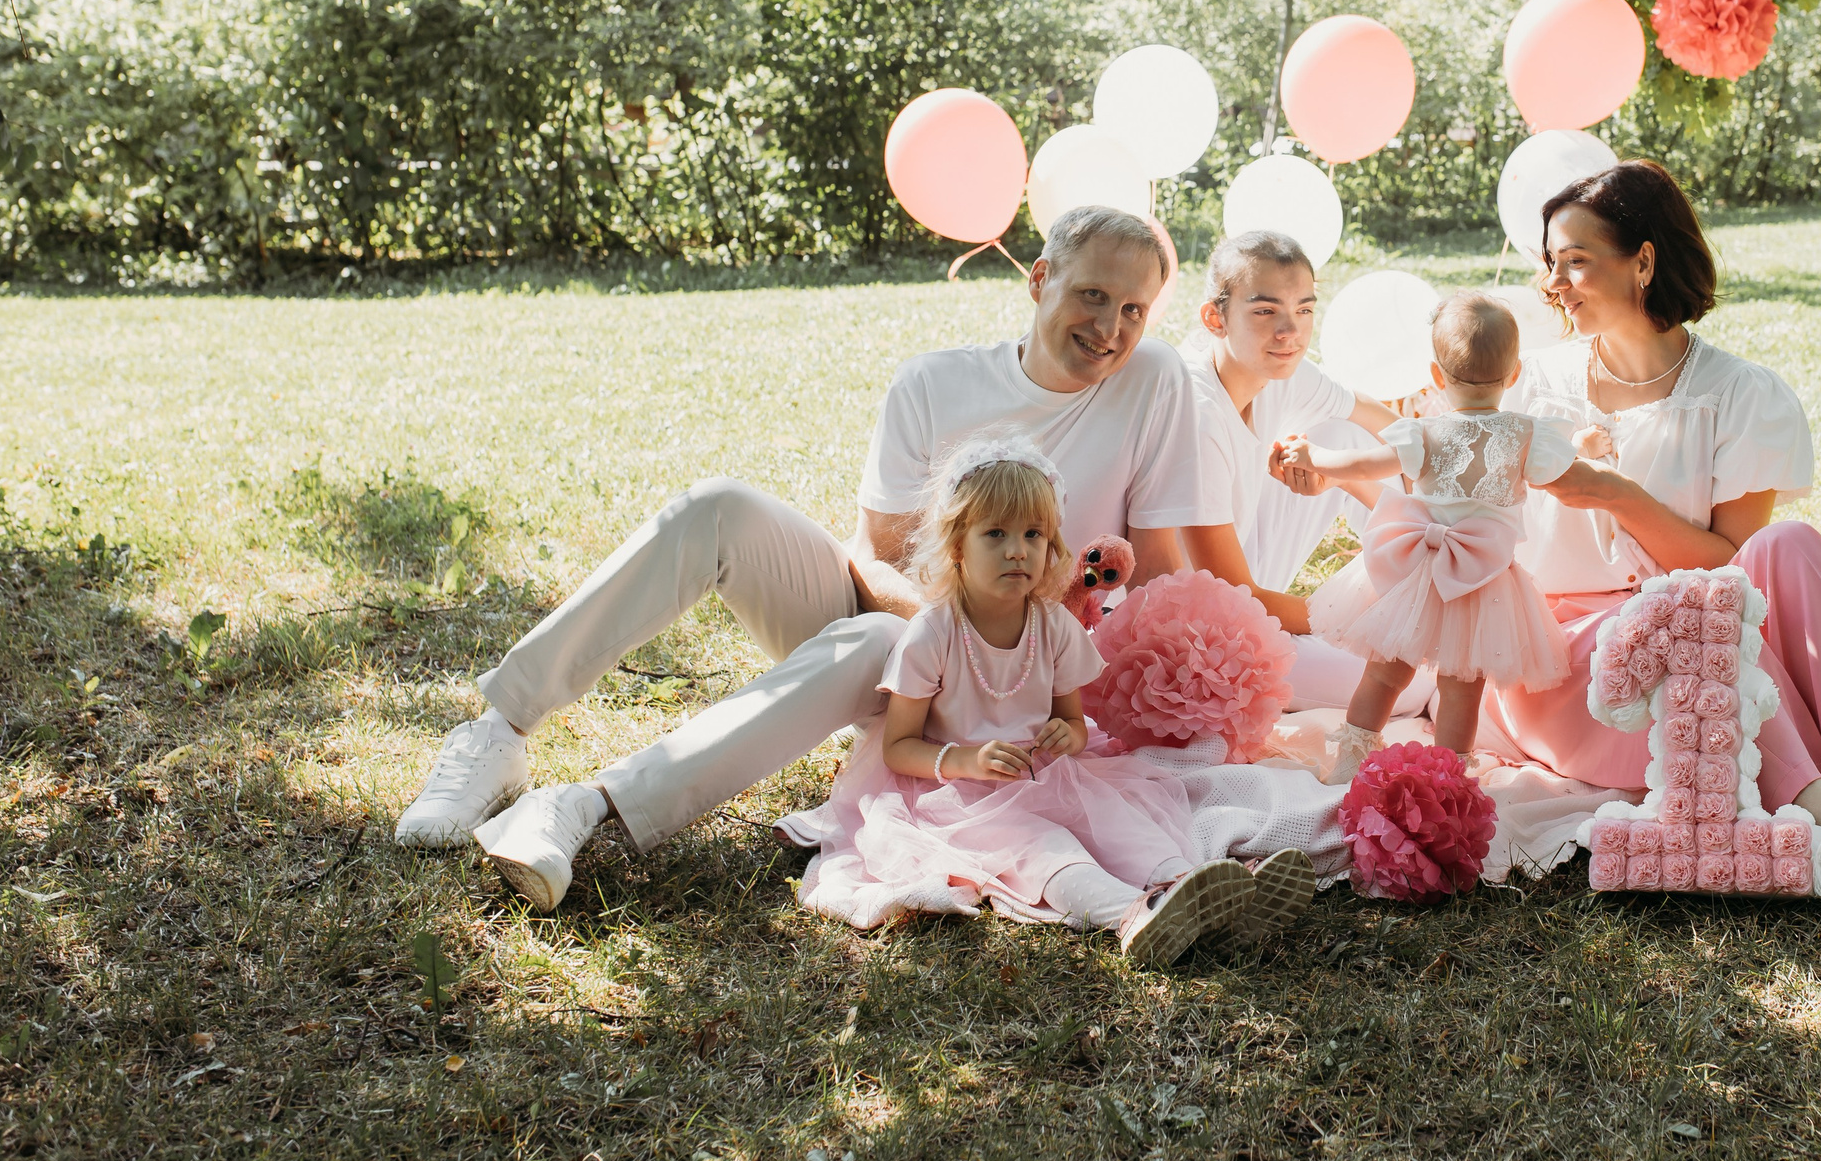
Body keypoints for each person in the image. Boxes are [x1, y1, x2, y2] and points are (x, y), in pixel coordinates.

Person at [395, 206, 1216, 912]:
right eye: (1092, 296)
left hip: (1011, 666)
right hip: (908, 615)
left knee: (864, 646)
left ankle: (585, 805)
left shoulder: (1152, 381)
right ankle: (496, 730)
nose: (1111, 328)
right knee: (718, 508)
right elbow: (877, 556)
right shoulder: (933, 382)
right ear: (1039, 279)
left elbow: (1164, 563)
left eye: (1135, 310)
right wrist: (943, 626)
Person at [1482, 160, 1821, 931]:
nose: (1555, 282)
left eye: (1576, 260)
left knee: (1788, 544)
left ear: (1644, 261)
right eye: (1550, 263)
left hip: (1711, 620)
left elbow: (1732, 566)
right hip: (1580, 659)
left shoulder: (1739, 392)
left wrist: (1616, 493)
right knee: (1694, 628)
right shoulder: (1532, 386)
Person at [776, 434, 1317, 963]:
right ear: (957, 547)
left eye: (1034, 534)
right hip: (960, 792)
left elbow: (1073, 723)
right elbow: (898, 746)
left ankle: (1200, 893)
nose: (1018, 550)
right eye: (995, 534)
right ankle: (1132, 915)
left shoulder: (1053, 626)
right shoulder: (933, 634)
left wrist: (1069, 734)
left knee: (1124, 826)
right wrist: (965, 760)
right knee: (1041, 849)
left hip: (1047, 773)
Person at [1282, 293, 1585, 777]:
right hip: (1481, 582)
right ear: (1514, 374)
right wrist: (1581, 446)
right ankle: (1448, 777)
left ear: (1437, 375)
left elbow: (1362, 462)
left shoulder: (1421, 432)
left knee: (1386, 671)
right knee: (1462, 685)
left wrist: (1314, 456)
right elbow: (1563, 475)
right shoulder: (1530, 436)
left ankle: (1352, 756)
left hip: (1414, 572)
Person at [1173, 230, 1427, 715]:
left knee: (1340, 436)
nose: (1290, 332)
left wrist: (1346, 478)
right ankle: (1388, 604)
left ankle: (1414, 569)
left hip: (1243, 579)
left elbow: (1387, 426)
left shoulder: (1277, 367)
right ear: (1215, 317)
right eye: (1265, 311)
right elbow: (1231, 595)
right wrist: (1351, 618)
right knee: (1411, 685)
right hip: (1196, 632)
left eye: (1304, 310)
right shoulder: (1196, 413)